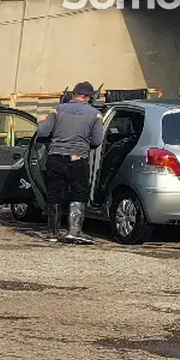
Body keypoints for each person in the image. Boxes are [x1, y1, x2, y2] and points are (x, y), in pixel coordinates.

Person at [35, 81, 107, 244]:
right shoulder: (95, 114)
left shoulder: (57, 109)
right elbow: (97, 140)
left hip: (55, 157)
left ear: (73, 95)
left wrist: (41, 121)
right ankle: (74, 231)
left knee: (54, 195)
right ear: (88, 97)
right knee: (78, 194)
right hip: (78, 159)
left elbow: (43, 132)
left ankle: (53, 233)